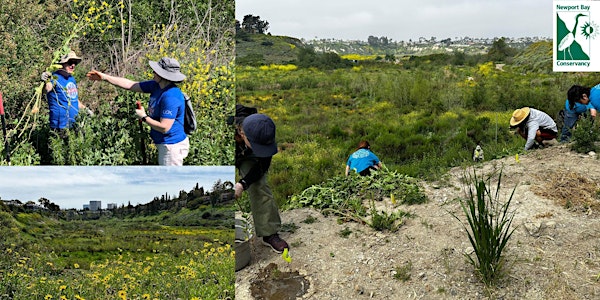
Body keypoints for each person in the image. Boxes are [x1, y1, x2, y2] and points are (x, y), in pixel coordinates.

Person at [86, 57, 189, 165]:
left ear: (164, 75)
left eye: (156, 71)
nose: (153, 72)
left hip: (172, 147)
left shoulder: (171, 96)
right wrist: (104, 77)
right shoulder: (156, 85)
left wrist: (144, 117)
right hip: (164, 144)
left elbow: (164, 127)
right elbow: (130, 85)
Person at [234, 113, 289, 254]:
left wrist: (242, 184)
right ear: (242, 133)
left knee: (259, 185)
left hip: (246, 153)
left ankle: (269, 233)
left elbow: (261, 167)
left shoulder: (262, 131)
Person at [41, 50, 92, 133]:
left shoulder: (71, 79)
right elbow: (47, 89)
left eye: (75, 63)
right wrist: (45, 79)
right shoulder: (54, 77)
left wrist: (86, 110)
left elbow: (74, 98)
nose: (73, 65)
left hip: (74, 123)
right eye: (70, 62)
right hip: (60, 125)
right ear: (62, 63)